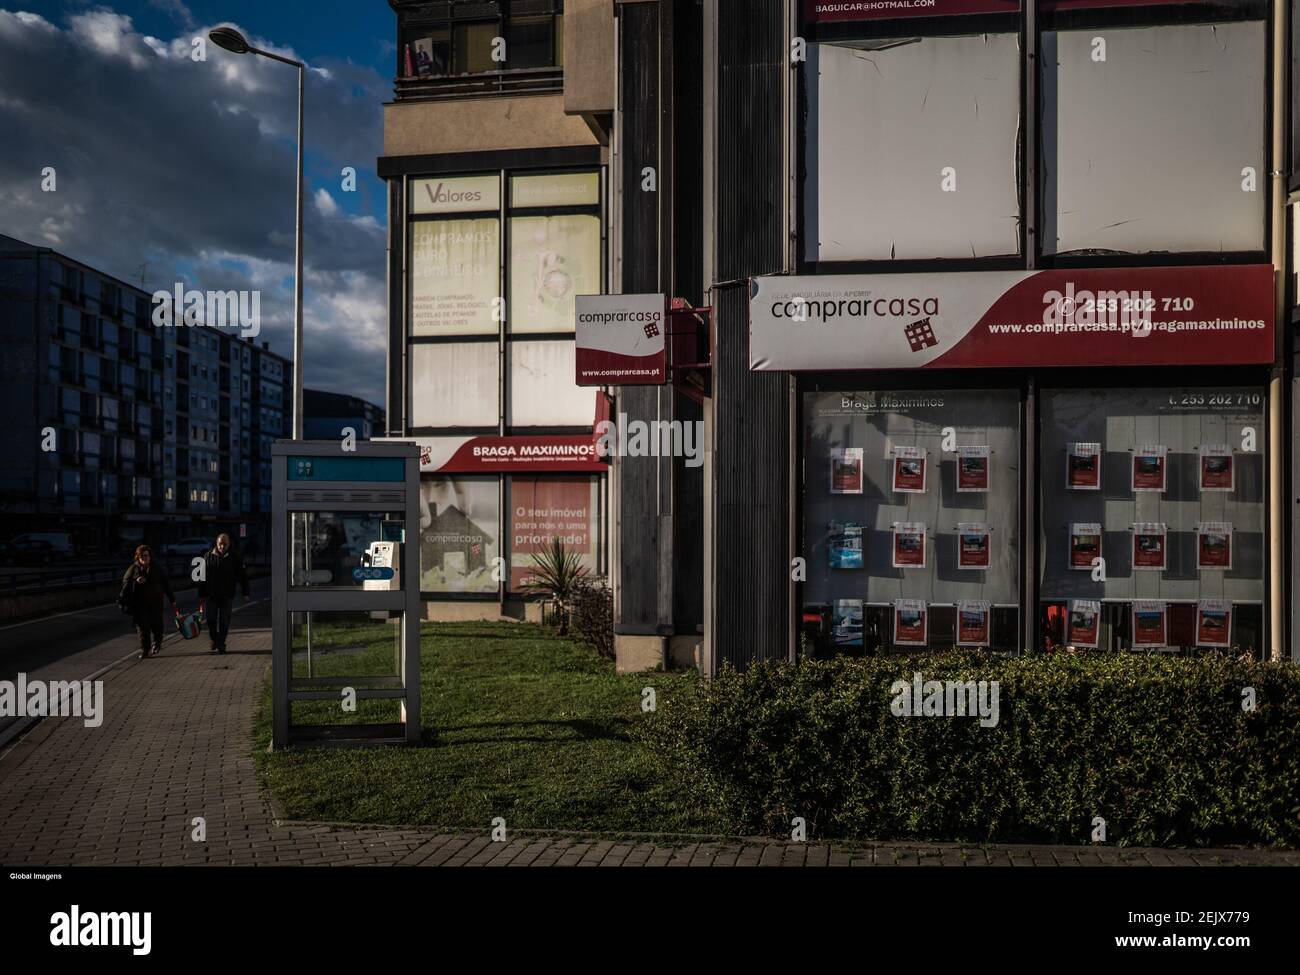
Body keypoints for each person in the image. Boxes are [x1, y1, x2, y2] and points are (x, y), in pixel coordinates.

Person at [120, 544, 175, 659]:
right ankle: (145, 650)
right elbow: (125, 582)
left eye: (146, 556)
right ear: (138, 557)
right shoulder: (133, 569)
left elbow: (166, 583)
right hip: (140, 604)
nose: (144, 558)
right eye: (142, 556)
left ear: (150, 556)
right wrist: (136, 580)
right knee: (143, 628)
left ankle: (157, 643)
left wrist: (171, 598)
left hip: (156, 602)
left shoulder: (157, 568)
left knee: (157, 625)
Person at [198, 533, 250, 654]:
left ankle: (221, 643)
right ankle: (214, 639)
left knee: (224, 621)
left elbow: (242, 576)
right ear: (216, 543)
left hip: (227, 595)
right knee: (210, 620)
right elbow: (202, 577)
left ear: (229, 544)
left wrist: (245, 592)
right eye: (220, 543)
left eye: (225, 544)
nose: (222, 546)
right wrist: (201, 594)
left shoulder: (234, 557)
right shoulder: (207, 556)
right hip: (211, 595)